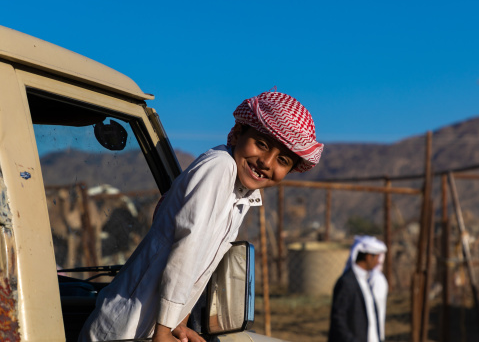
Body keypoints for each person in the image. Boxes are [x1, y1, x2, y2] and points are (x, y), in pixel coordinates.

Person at [78, 91, 323, 342]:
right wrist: (164, 331)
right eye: (261, 144)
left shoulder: (240, 192)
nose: (266, 162)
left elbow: (200, 267)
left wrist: (178, 324)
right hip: (125, 328)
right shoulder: (219, 167)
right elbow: (188, 247)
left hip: (150, 328)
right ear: (238, 134)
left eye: (282, 160)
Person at [328, 235, 387, 342]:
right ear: (368, 257)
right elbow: (339, 320)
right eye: (377, 257)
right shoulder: (347, 282)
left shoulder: (366, 280)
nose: (378, 262)